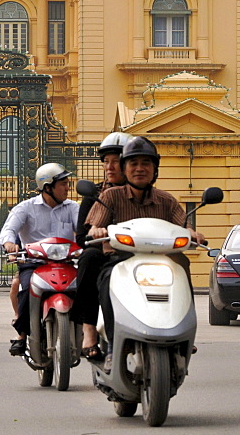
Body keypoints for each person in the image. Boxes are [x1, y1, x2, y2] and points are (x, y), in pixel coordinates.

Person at [75, 136, 206, 363]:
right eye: (133, 164)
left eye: (146, 163)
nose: (139, 169)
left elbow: (184, 225)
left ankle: (184, 331)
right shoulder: (109, 196)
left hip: (158, 259)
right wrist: (96, 230)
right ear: (125, 169)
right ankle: (106, 338)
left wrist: (193, 233)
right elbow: (94, 224)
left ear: (155, 169)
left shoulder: (166, 200)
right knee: (102, 274)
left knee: (182, 263)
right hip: (119, 260)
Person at [0, 163, 79, 356]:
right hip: (34, 264)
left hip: (66, 263)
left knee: (87, 287)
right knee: (26, 289)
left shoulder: (72, 207)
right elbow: (8, 230)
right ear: (48, 187)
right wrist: (10, 244)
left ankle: (89, 333)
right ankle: (23, 334)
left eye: (68, 183)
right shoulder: (26, 208)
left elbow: (84, 229)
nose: (68, 187)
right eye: (63, 184)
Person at [70, 131, 132, 358]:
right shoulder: (96, 194)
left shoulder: (147, 193)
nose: (110, 167)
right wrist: (96, 231)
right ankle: (89, 330)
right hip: (105, 253)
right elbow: (81, 236)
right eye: (106, 162)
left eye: (116, 161)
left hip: (138, 253)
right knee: (89, 258)